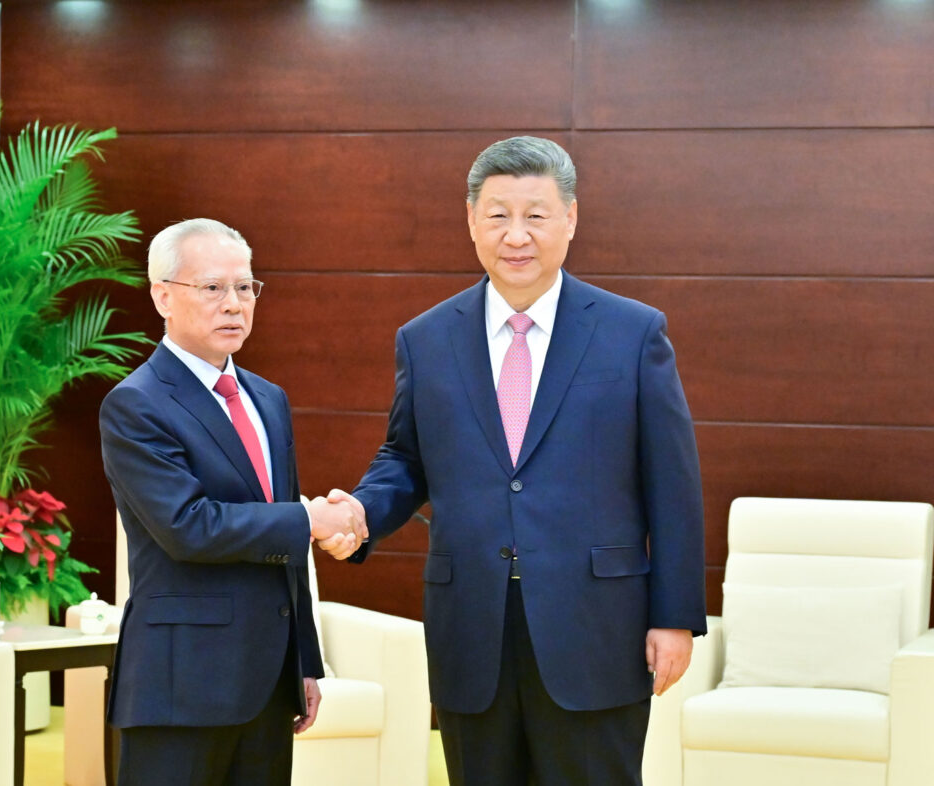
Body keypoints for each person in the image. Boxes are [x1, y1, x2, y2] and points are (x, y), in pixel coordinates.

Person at [328, 137, 706, 785]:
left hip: (596, 628)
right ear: (472, 220)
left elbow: (673, 484)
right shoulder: (426, 340)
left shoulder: (632, 333)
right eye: (498, 214)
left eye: (536, 214)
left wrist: (674, 617)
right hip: (472, 629)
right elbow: (406, 459)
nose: (517, 235)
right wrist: (361, 511)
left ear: (571, 220)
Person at [99, 218, 366, 786]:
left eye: (245, 288)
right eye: (213, 287)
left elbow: (287, 549)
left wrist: (304, 666)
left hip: (268, 685)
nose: (234, 304)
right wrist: (310, 518)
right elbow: (187, 527)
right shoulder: (136, 405)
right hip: (180, 687)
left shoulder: (269, 399)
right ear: (163, 296)